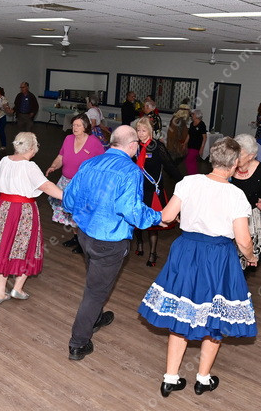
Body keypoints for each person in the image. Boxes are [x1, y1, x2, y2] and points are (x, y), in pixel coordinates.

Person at [138, 136, 257, 398]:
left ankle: (170, 378)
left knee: (182, 312)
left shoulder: (189, 182)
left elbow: (167, 216)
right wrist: (251, 256)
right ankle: (203, 378)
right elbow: (243, 239)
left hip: (186, 251)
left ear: (212, 159)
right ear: (235, 165)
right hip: (217, 257)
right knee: (215, 314)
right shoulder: (236, 195)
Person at [62, 125, 162, 361]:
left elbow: (68, 200)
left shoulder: (89, 163)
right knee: (95, 292)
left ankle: (95, 317)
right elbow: (132, 212)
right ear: (133, 146)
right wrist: (159, 217)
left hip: (84, 235)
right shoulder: (130, 171)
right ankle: (78, 343)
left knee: (95, 281)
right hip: (109, 241)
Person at [0, 132, 63, 304]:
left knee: (1, 247)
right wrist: (67, 197)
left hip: (2, 207)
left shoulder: (5, 161)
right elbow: (46, 186)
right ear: (32, 148)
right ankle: (17, 288)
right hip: (23, 211)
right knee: (26, 247)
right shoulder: (29, 166)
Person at [46, 113, 105, 254]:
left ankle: (83, 242)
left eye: (78, 125)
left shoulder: (94, 142)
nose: (75, 128)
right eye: (73, 125)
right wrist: (53, 166)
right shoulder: (68, 139)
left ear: (85, 127)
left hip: (83, 185)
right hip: (66, 182)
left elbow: (102, 163)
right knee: (70, 214)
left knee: (81, 214)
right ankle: (76, 237)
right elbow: (60, 157)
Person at [133, 117, 182, 267]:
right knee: (137, 221)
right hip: (139, 190)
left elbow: (170, 166)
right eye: (138, 130)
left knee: (153, 224)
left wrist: (184, 182)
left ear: (150, 131)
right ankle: (139, 243)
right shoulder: (134, 146)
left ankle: (153, 253)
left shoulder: (157, 147)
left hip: (154, 191)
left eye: (144, 130)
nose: (141, 133)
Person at [232, 134, 261, 273]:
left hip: (248, 218)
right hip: (227, 215)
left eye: (240, 154)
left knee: (243, 259)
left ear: (251, 155)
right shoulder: (228, 166)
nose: (235, 157)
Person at [183, 109, 207, 175]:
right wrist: (185, 143)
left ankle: (191, 174)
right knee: (193, 161)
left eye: (193, 114)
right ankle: (195, 175)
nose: (191, 115)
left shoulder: (202, 124)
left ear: (197, 115)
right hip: (190, 145)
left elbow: (204, 138)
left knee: (188, 160)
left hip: (196, 146)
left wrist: (202, 148)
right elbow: (189, 135)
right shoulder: (191, 124)